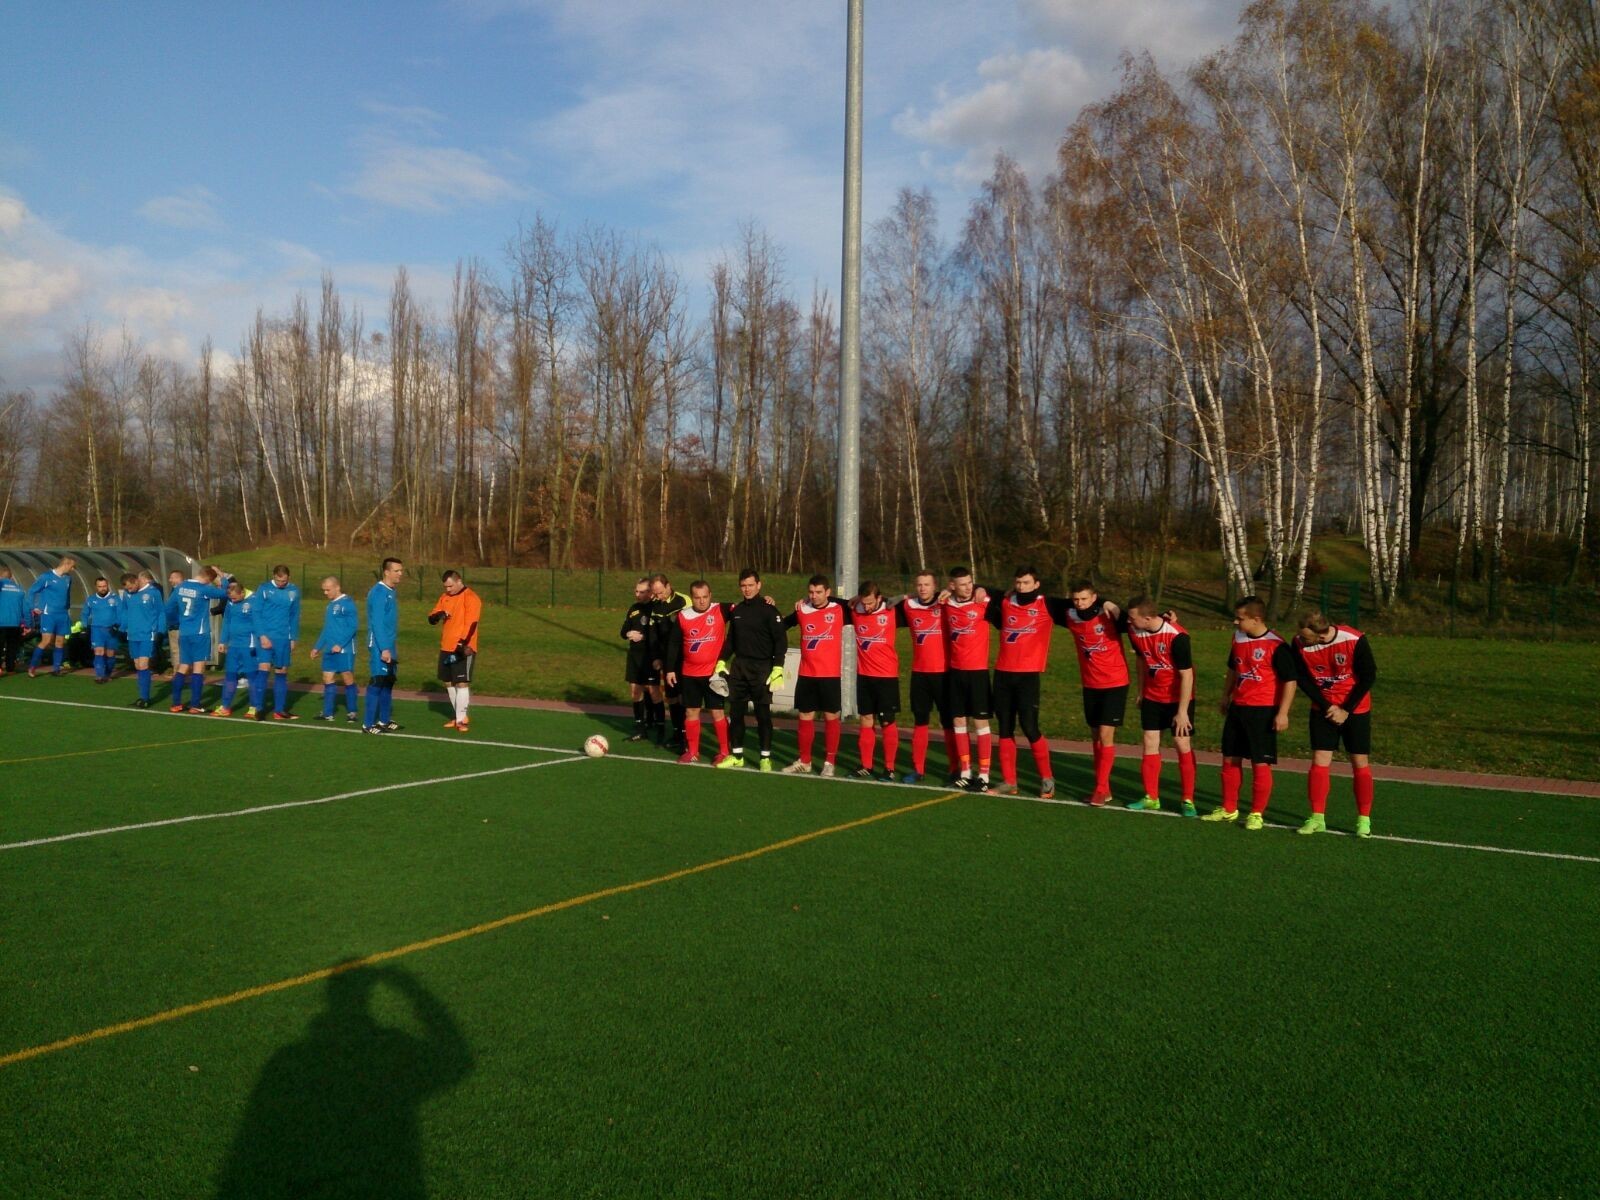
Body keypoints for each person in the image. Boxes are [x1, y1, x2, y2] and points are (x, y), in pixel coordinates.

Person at [1202, 596, 1300, 830]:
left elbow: (1290, 681)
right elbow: (1233, 669)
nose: (1236, 622)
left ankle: (1256, 813)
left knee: (1260, 762)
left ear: (1256, 619)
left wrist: (1283, 713)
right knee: (1230, 758)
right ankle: (1228, 808)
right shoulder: (1238, 638)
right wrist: (1226, 695)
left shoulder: (1277, 645)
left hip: (1263, 710)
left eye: (1240, 618)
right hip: (1238, 707)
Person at [982, 566, 1074, 799]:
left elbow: (1081, 604)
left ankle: (1047, 778)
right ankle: (1009, 781)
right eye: (1018, 583)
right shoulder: (1005, 601)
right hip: (1003, 674)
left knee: (1030, 727)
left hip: (1028, 676)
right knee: (1004, 728)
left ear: (1036, 584)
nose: (1022, 587)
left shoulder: (1048, 605)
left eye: (1026, 583)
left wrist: (1107, 604)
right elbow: (978, 590)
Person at [1292, 611, 1378, 838]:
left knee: (1359, 762)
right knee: (1319, 760)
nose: (1300, 639)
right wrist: (1326, 706)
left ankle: (1363, 820)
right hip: (1323, 710)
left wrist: (1345, 709)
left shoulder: (1354, 639)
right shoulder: (1298, 643)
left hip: (1355, 709)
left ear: (1320, 635)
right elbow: (1302, 678)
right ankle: (1317, 818)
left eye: (1305, 636)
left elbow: (1368, 676)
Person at [1122, 596, 1198, 817]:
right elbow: (1140, 660)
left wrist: (1182, 712)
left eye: (1132, 617)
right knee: (1149, 742)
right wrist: (1141, 691)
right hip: (1152, 697)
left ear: (1147, 618)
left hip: (1178, 699)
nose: (1129, 621)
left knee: (1181, 742)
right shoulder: (1135, 631)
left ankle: (1188, 799)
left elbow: (1187, 675)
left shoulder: (1177, 637)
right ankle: (1151, 797)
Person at [1062, 579, 1132, 806]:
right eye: (1076, 599)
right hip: (1090, 684)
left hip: (1115, 682)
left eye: (1084, 598)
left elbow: (1141, 617)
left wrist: (1107, 602)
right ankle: (1105, 787)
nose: (1080, 603)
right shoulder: (1069, 615)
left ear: (1094, 597)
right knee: (1095, 737)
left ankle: (1100, 790)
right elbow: (1038, 600)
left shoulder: (1109, 615)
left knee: (1105, 734)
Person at [715, 568, 787, 771]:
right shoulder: (737, 611)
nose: (747, 589)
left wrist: (778, 667)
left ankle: (765, 758)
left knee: (762, 715)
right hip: (739, 668)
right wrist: (722, 660)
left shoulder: (770, 610)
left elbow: (780, 641)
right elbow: (731, 640)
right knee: (736, 713)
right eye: (743, 586)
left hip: (762, 668)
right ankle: (737, 755)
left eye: (750, 585)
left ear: (759, 585)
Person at [779, 574, 849, 777]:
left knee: (831, 717)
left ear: (828, 592)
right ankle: (805, 761)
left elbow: (860, 604)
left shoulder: (839, 609)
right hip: (807, 673)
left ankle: (829, 762)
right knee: (805, 716)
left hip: (830, 675)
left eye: (819, 592)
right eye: (811, 592)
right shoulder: (802, 609)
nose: (814, 596)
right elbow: (783, 624)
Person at [895, 571, 957, 785]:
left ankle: (955, 769)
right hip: (920, 674)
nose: (923, 588)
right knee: (920, 721)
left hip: (944, 674)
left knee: (948, 722)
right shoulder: (908, 606)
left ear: (935, 586)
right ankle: (918, 769)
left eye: (927, 584)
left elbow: (966, 592)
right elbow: (879, 602)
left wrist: (950, 590)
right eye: (919, 585)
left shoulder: (945, 603)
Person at [664, 580, 734, 765]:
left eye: (705, 597)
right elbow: (674, 644)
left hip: (713, 675)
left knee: (717, 712)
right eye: (697, 597)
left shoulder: (721, 609)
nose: (702, 601)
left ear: (710, 595)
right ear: (691, 597)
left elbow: (747, 609)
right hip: (689, 674)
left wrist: (765, 600)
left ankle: (724, 751)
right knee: (691, 711)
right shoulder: (683, 616)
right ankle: (693, 752)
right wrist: (670, 669)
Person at [941, 566, 994, 792]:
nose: (968, 587)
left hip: (978, 672)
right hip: (956, 672)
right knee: (959, 722)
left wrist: (982, 588)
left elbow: (1007, 594)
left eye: (970, 582)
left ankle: (984, 775)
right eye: (962, 584)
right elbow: (922, 597)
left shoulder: (983, 601)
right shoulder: (946, 603)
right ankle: (965, 772)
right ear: (952, 586)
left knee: (980, 723)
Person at [850, 582, 903, 781]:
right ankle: (866, 765)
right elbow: (833, 603)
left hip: (887, 676)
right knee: (866, 718)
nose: (867, 607)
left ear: (879, 598)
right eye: (864, 603)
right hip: (864, 675)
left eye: (871, 603)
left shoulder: (891, 610)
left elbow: (920, 598)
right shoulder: (855, 609)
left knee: (887, 720)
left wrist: (902, 596)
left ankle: (889, 768)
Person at [169, 566, 229, 713]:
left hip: (184, 632)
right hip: (200, 633)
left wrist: (175, 622)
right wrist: (222, 576)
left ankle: (176, 703)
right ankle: (195, 704)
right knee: (198, 668)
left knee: (183, 667)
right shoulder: (204, 589)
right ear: (209, 579)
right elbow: (226, 592)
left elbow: (169, 608)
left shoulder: (180, 587)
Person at [428, 570, 481, 733]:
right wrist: (438, 615)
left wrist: (462, 643)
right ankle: (459, 716)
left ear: (459, 581)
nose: (448, 589)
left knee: (461, 682)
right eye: (446, 587)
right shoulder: (444, 597)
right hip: (446, 646)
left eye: (450, 586)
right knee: (448, 682)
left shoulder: (471, 598)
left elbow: (472, 623)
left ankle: (461, 720)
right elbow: (431, 618)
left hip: (464, 648)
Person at [646, 574, 689, 751]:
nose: (659, 596)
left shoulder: (683, 601)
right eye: (655, 593)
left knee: (684, 697)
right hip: (667, 658)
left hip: (685, 657)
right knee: (671, 697)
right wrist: (656, 657)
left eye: (661, 592)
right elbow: (653, 634)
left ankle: (687, 735)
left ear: (668, 586)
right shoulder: (655, 606)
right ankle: (677, 732)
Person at [309, 576, 361, 723]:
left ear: (337, 587)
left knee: (347, 678)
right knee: (327, 678)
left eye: (328, 590)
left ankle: (352, 712)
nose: (325, 593)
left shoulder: (347, 603)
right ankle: (328, 713)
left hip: (345, 649)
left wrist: (340, 644)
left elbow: (353, 626)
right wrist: (317, 647)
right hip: (329, 649)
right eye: (323, 590)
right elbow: (327, 629)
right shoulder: (330, 606)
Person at [254, 564, 302, 721]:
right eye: (278, 580)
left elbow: (294, 615)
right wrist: (262, 635)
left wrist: (293, 637)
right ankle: (258, 708)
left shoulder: (294, 591)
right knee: (264, 669)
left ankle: (279, 710)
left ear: (289, 578)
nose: (281, 583)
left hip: (283, 638)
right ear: (273, 576)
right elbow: (256, 613)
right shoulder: (264, 589)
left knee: (281, 671)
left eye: (284, 581)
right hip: (266, 637)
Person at [364, 557, 404, 733]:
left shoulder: (391, 591)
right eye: (397, 571)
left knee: (388, 681)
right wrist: (384, 648)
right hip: (379, 644)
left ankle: (384, 720)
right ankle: (367, 724)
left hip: (389, 643)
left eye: (401, 570)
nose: (400, 574)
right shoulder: (379, 593)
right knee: (377, 681)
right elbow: (377, 623)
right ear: (386, 572)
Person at [214, 579, 264, 717]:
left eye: (235, 598)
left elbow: (260, 623)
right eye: (231, 598)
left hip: (249, 645)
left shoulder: (255, 600)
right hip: (233, 645)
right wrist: (223, 641)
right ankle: (225, 707)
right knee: (230, 675)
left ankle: (254, 707)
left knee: (252, 676)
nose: (233, 601)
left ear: (242, 592)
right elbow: (227, 621)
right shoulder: (231, 601)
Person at [120, 570, 167, 708]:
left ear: (136, 581)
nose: (129, 590)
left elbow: (161, 612)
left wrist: (161, 630)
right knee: (137, 666)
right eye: (127, 588)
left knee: (143, 665)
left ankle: (145, 698)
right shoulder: (127, 594)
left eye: (130, 587)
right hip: (132, 635)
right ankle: (142, 696)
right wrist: (122, 628)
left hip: (147, 634)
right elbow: (124, 611)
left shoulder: (153, 592)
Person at [620, 579, 659, 741]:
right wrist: (629, 634)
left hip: (649, 656)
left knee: (652, 691)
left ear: (650, 592)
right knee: (635, 690)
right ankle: (640, 727)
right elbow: (623, 631)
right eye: (636, 591)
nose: (637, 594)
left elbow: (660, 633)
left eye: (641, 592)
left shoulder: (655, 609)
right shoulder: (633, 608)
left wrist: (644, 637)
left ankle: (656, 723)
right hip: (634, 656)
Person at [25, 555, 75, 677]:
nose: (73, 569)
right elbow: (32, 591)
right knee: (46, 641)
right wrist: (34, 607)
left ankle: (56, 669)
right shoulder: (46, 577)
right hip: (49, 614)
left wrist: (67, 607)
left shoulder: (68, 579)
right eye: (72, 566)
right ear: (66, 564)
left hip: (62, 614)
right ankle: (32, 667)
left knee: (60, 642)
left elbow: (67, 595)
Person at [82, 576, 122, 684]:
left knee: (110, 654)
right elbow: (85, 614)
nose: (102, 588)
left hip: (111, 630)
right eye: (100, 586)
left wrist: (117, 625)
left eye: (104, 586)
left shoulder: (115, 598)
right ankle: (99, 675)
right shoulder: (91, 599)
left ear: (107, 585)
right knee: (98, 652)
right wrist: (85, 626)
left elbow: (121, 614)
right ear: (96, 587)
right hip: (96, 629)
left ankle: (107, 674)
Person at [0, 565, 25, 675]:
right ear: (11, 577)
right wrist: (29, 623)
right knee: (12, 647)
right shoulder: (19, 589)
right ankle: (10, 669)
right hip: (15, 623)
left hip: (1, 622)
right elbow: (26, 608)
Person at [165, 568, 187, 676]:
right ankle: (178, 672)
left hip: (179, 625)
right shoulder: (176, 590)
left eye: (172, 578)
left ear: (179, 578)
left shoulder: (180, 591)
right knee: (177, 650)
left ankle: (179, 673)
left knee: (178, 650)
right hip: (175, 625)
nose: (169, 580)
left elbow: (172, 609)